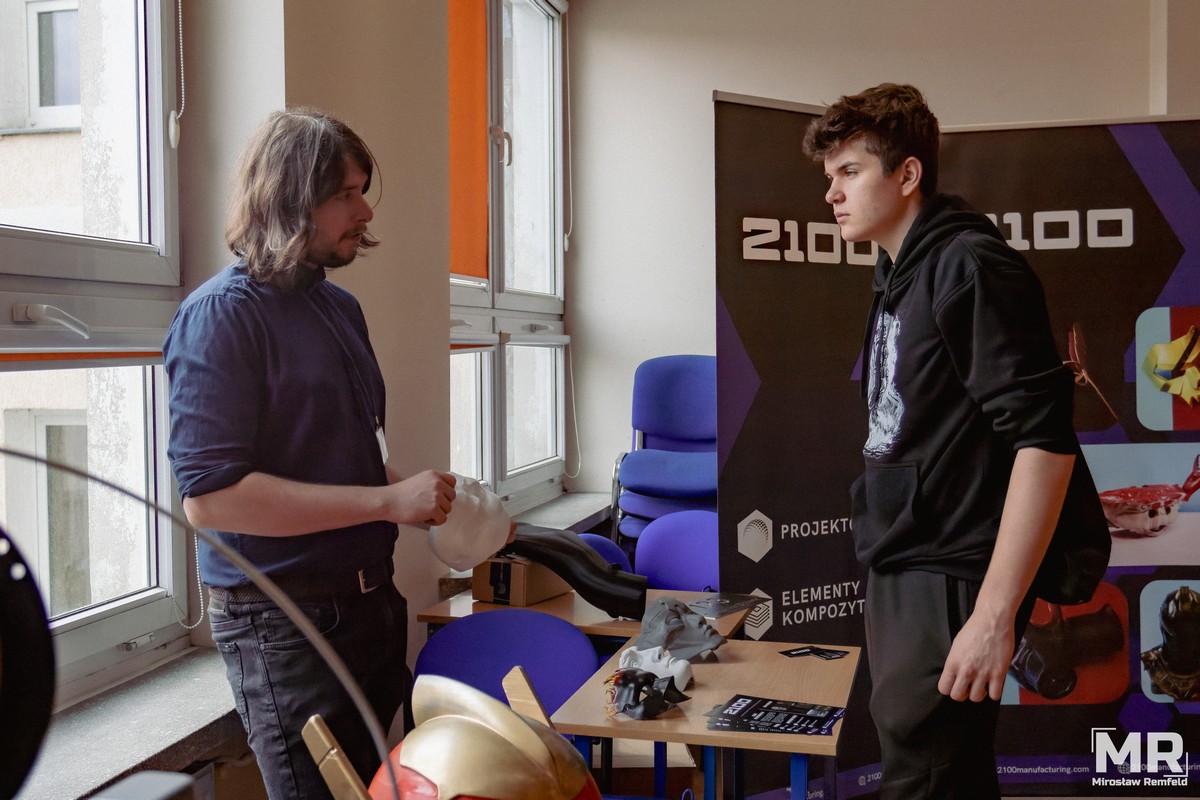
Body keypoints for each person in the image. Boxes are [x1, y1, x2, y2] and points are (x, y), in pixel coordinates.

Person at [164, 107, 486, 800]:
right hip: (286, 626)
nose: (364, 211)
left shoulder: (340, 310)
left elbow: (342, 457)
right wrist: (386, 501)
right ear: (288, 197)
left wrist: (417, 498)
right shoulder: (220, 317)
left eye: (362, 190)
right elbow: (211, 501)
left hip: (370, 607)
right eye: (345, 194)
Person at [803, 84, 1098, 798]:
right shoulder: (898, 270)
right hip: (907, 558)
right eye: (830, 176)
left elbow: (1045, 443)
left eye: (850, 173)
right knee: (939, 772)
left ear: (907, 174)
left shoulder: (970, 265)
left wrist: (993, 616)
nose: (831, 194)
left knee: (926, 776)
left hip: (952, 569)